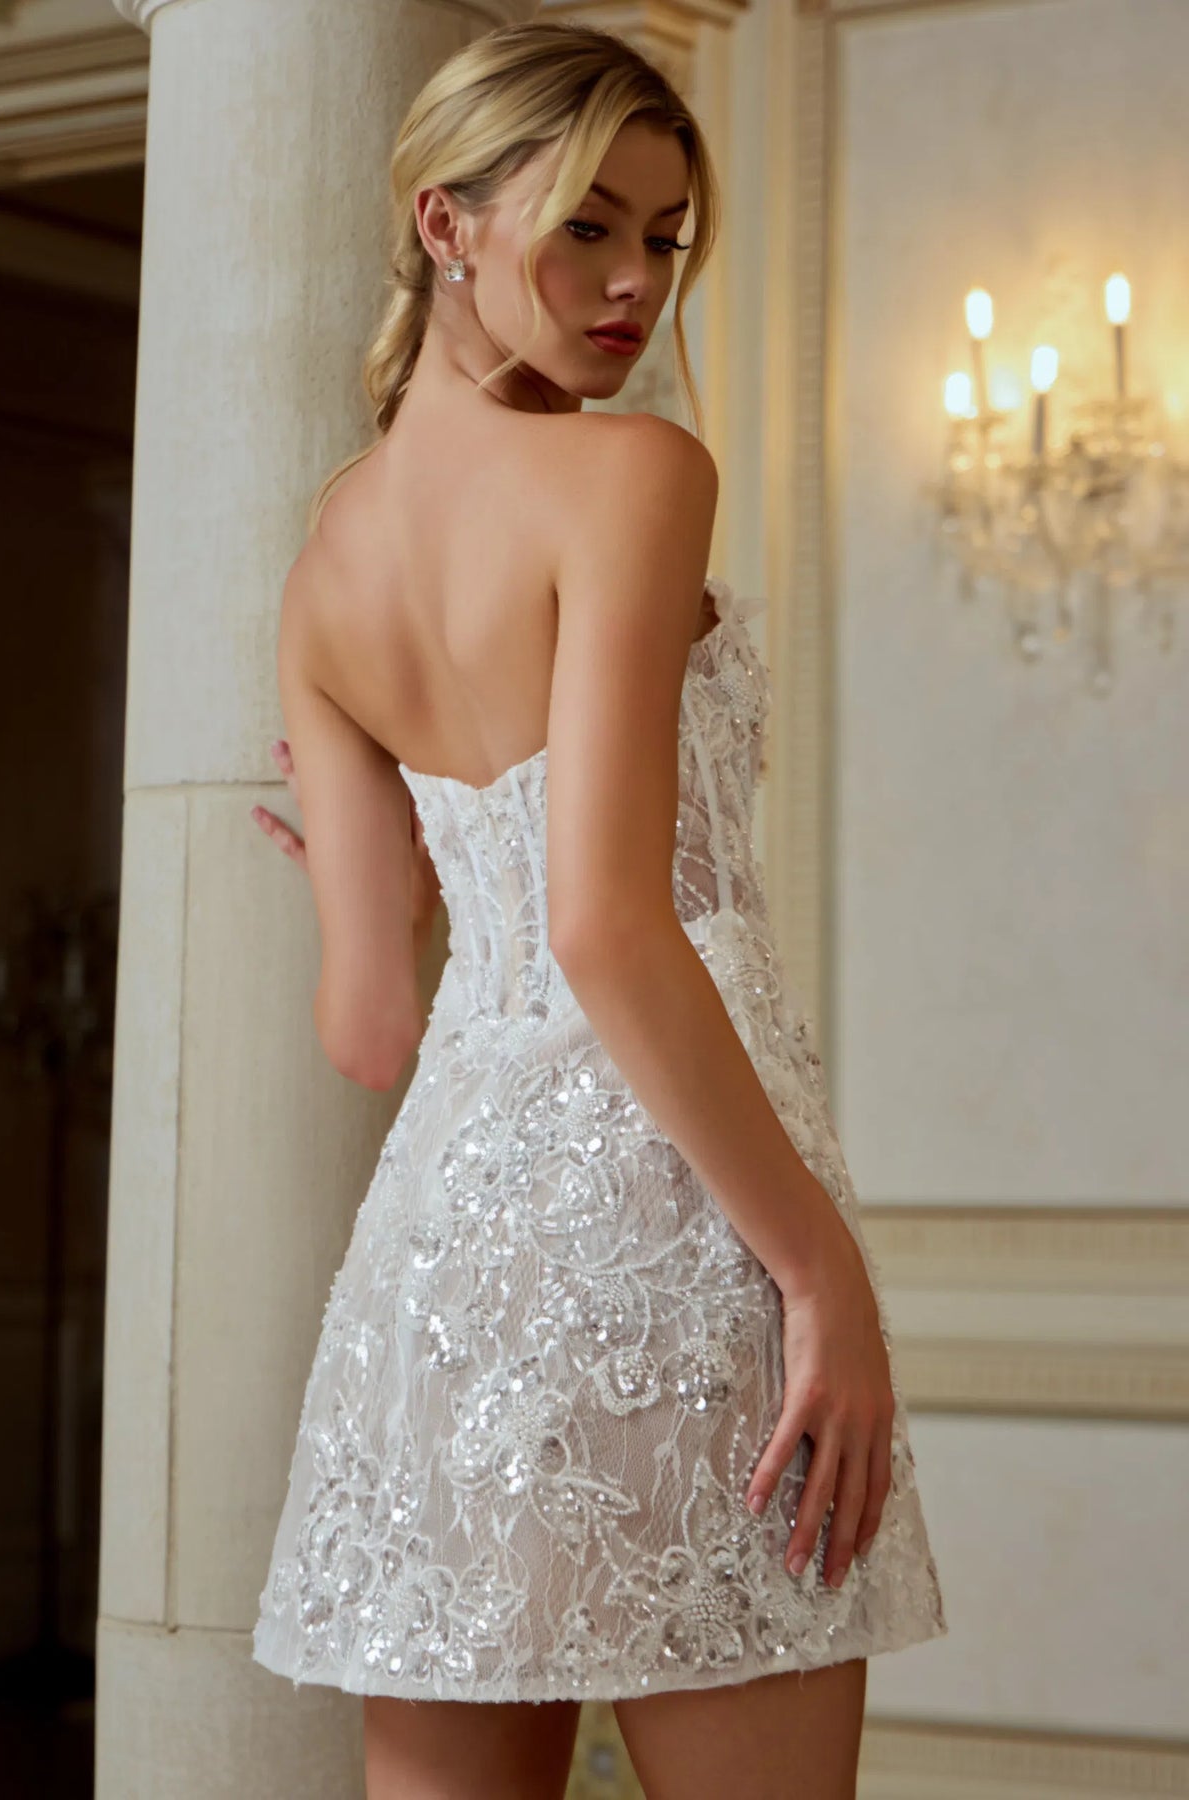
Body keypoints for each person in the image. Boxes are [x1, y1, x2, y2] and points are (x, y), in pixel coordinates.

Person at [248, 19, 946, 1800]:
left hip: (446, 1281)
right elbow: (605, 925)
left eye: (666, 236)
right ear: (447, 223)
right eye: (588, 228)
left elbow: (370, 1028)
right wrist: (820, 1273)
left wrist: (393, 872)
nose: (638, 282)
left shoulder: (323, 574)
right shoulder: (637, 475)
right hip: (679, 1241)